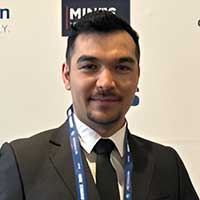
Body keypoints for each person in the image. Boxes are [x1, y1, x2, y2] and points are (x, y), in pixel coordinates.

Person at [0, 11, 199, 200]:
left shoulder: (167, 165)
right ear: (67, 75)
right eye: (90, 67)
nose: (106, 82)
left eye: (121, 67)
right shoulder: (22, 162)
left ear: (137, 75)